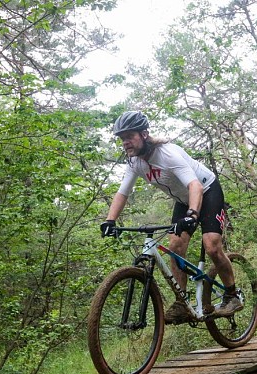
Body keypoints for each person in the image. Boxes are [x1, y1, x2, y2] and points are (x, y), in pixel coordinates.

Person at [100, 111, 243, 324]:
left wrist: (193, 215)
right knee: (175, 246)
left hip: (207, 190)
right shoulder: (134, 162)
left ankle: (232, 295)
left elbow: (195, 185)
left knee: (212, 245)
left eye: (129, 136)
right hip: (184, 199)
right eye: (122, 139)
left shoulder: (167, 154)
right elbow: (123, 193)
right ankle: (182, 302)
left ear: (144, 134)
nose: (125, 142)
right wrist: (109, 220)